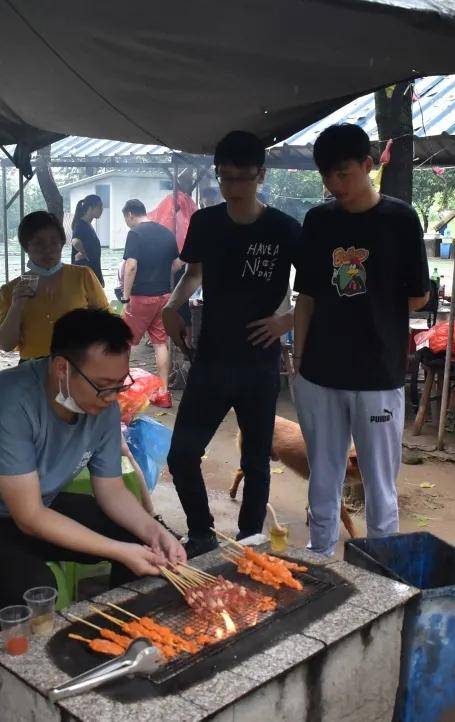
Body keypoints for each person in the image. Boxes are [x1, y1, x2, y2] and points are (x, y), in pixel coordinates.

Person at [0, 308, 184, 611]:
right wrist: (120, 551)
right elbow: (30, 517)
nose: (112, 397)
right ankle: (28, 658)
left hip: (35, 506)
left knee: (149, 545)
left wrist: (154, 531)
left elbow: (111, 491)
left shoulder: (103, 407)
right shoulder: (7, 403)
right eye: (102, 385)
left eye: (119, 384)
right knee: (35, 588)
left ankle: (129, 639)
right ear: (62, 369)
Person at [162, 131, 301, 556]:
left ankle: (249, 541)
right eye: (225, 178)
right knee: (182, 453)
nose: (233, 187)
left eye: (243, 178)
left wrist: (286, 321)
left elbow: (318, 292)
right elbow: (194, 273)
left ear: (261, 174)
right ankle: (201, 533)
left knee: (257, 462)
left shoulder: (283, 228)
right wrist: (172, 306)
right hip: (211, 359)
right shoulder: (206, 222)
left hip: (260, 364)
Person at [293, 124, 430, 556]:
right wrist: (297, 358)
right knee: (324, 476)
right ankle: (321, 559)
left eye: (344, 174)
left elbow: (419, 294)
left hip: (378, 374)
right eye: (327, 177)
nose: (335, 185)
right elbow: (308, 295)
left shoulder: (400, 219)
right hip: (320, 373)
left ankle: (382, 569)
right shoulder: (318, 221)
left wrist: (375, 319)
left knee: (379, 483)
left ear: (368, 166)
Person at [0, 211, 108, 361]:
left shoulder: (82, 276)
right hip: (33, 370)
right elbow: (6, 344)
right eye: (38, 243)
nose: (47, 250)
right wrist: (16, 306)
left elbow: (107, 322)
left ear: (62, 244)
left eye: (54, 242)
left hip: (77, 366)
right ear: (26, 247)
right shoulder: (11, 290)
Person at [120, 198, 181, 408]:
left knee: (123, 341)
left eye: (126, 219)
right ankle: (163, 393)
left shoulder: (135, 233)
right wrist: (163, 274)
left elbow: (131, 266)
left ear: (130, 214)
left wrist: (125, 297)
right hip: (164, 295)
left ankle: (123, 388)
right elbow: (178, 262)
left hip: (141, 297)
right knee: (160, 343)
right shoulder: (166, 233)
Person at [71, 194, 106, 286]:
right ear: (90, 208)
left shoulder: (87, 225)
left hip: (92, 273)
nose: (102, 210)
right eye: (99, 207)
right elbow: (75, 241)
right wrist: (84, 253)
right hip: (84, 275)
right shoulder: (80, 224)